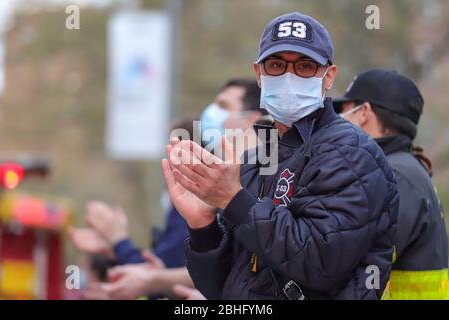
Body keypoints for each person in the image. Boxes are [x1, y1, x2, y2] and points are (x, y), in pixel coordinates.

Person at [162, 12, 399, 300]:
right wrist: (202, 227)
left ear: (329, 76)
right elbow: (220, 287)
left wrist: (232, 200)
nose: (289, 76)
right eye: (276, 65)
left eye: (305, 66)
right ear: (259, 74)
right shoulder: (256, 160)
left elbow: (321, 263)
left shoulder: (351, 153)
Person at [69, 78, 264, 299]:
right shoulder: (215, 191)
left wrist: (119, 241)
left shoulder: (261, 186)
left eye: (223, 106)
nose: (211, 114)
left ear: (252, 120)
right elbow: (207, 268)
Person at [334, 69, 449, 300]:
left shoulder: (394, 175)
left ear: (364, 112)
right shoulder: (405, 168)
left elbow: (350, 262)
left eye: (344, 111)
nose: (338, 120)